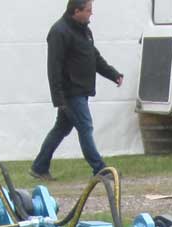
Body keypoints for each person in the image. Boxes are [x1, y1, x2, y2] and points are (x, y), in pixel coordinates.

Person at [31, 0, 124, 180]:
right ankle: (100, 169)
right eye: (88, 10)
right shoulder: (59, 32)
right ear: (76, 11)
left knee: (61, 129)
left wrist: (113, 74)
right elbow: (54, 67)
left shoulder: (84, 31)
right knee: (85, 127)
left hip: (81, 90)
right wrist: (58, 98)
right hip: (70, 92)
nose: (91, 14)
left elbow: (94, 57)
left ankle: (39, 167)